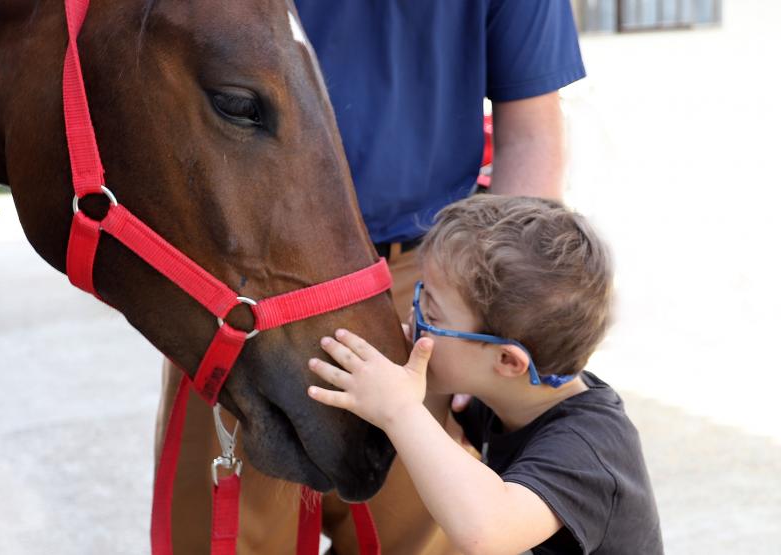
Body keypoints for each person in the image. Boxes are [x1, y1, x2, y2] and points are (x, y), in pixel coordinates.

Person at [157, 2, 588, 553]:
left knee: (415, 537)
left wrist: (495, 322)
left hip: (424, 288)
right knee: (227, 537)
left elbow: (529, 130)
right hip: (243, 275)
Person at [307, 195, 663, 554]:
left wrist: (400, 410)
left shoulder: (589, 450)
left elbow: (486, 534)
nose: (414, 319)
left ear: (507, 360)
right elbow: (438, 432)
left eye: (433, 316)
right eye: (420, 296)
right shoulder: (512, 400)